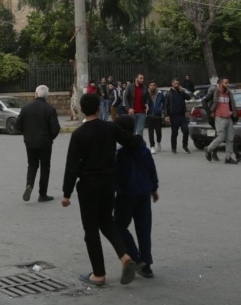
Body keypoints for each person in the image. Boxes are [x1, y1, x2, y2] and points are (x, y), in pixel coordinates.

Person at [61, 92, 138, 287]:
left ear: (81, 110)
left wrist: (66, 193)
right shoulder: (110, 128)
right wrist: (141, 145)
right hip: (108, 183)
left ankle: (99, 274)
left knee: (91, 230)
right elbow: (130, 140)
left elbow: (72, 165)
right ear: (98, 108)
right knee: (107, 223)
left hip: (88, 185)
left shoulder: (79, 134)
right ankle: (124, 256)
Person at [113, 115, 159, 279]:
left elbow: (117, 176)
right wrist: (154, 189)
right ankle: (147, 264)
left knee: (118, 226)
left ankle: (135, 257)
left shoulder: (121, 154)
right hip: (144, 193)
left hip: (126, 194)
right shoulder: (144, 149)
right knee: (144, 229)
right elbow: (151, 169)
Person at [16, 85, 61, 202]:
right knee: (45, 167)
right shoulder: (50, 109)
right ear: (47, 96)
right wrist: (50, 137)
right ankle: (42, 194)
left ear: (35, 94)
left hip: (30, 142)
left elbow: (18, 125)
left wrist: (26, 134)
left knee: (32, 165)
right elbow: (55, 128)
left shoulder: (26, 108)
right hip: (45, 143)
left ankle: (29, 184)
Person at [202, 77, 239, 164]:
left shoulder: (228, 93)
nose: (228, 84)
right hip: (219, 118)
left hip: (228, 118)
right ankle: (208, 149)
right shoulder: (215, 91)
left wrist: (235, 118)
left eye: (228, 83)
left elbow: (232, 106)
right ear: (221, 83)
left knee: (230, 138)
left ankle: (228, 158)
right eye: (226, 83)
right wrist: (210, 112)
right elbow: (204, 101)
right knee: (220, 137)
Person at [164, 78, 191, 154]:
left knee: (186, 131)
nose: (177, 85)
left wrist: (182, 90)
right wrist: (166, 115)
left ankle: (185, 146)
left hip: (182, 115)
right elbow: (166, 105)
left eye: (178, 84)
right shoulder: (168, 93)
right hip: (174, 116)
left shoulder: (181, 92)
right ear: (172, 84)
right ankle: (174, 148)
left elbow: (189, 98)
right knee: (174, 133)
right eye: (175, 84)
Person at [146, 80, 165, 153]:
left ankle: (158, 142)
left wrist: (162, 111)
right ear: (149, 86)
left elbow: (164, 104)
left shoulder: (160, 94)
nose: (152, 87)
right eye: (151, 85)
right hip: (149, 115)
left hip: (158, 116)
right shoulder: (146, 94)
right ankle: (152, 146)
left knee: (158, 132)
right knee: (150, 132)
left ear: (156, 86)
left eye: (153, 85)